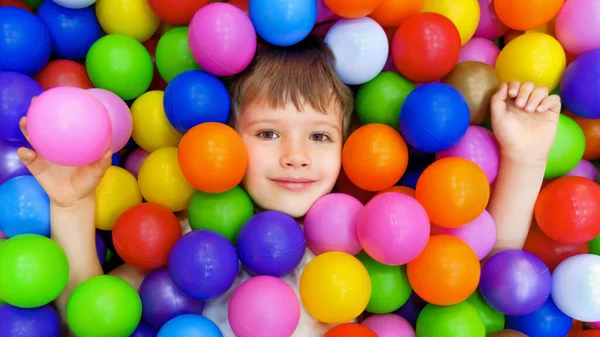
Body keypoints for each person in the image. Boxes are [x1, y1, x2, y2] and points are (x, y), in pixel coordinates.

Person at [16, 34, 561, 336]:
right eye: (269, 132)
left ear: (348, 147)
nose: (296, 156)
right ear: (226, 142)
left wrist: (525, 157)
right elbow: (92, 316)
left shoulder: (368, 235)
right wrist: (72, 205)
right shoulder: (183, 240)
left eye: (320, 137)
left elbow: (488, 273)